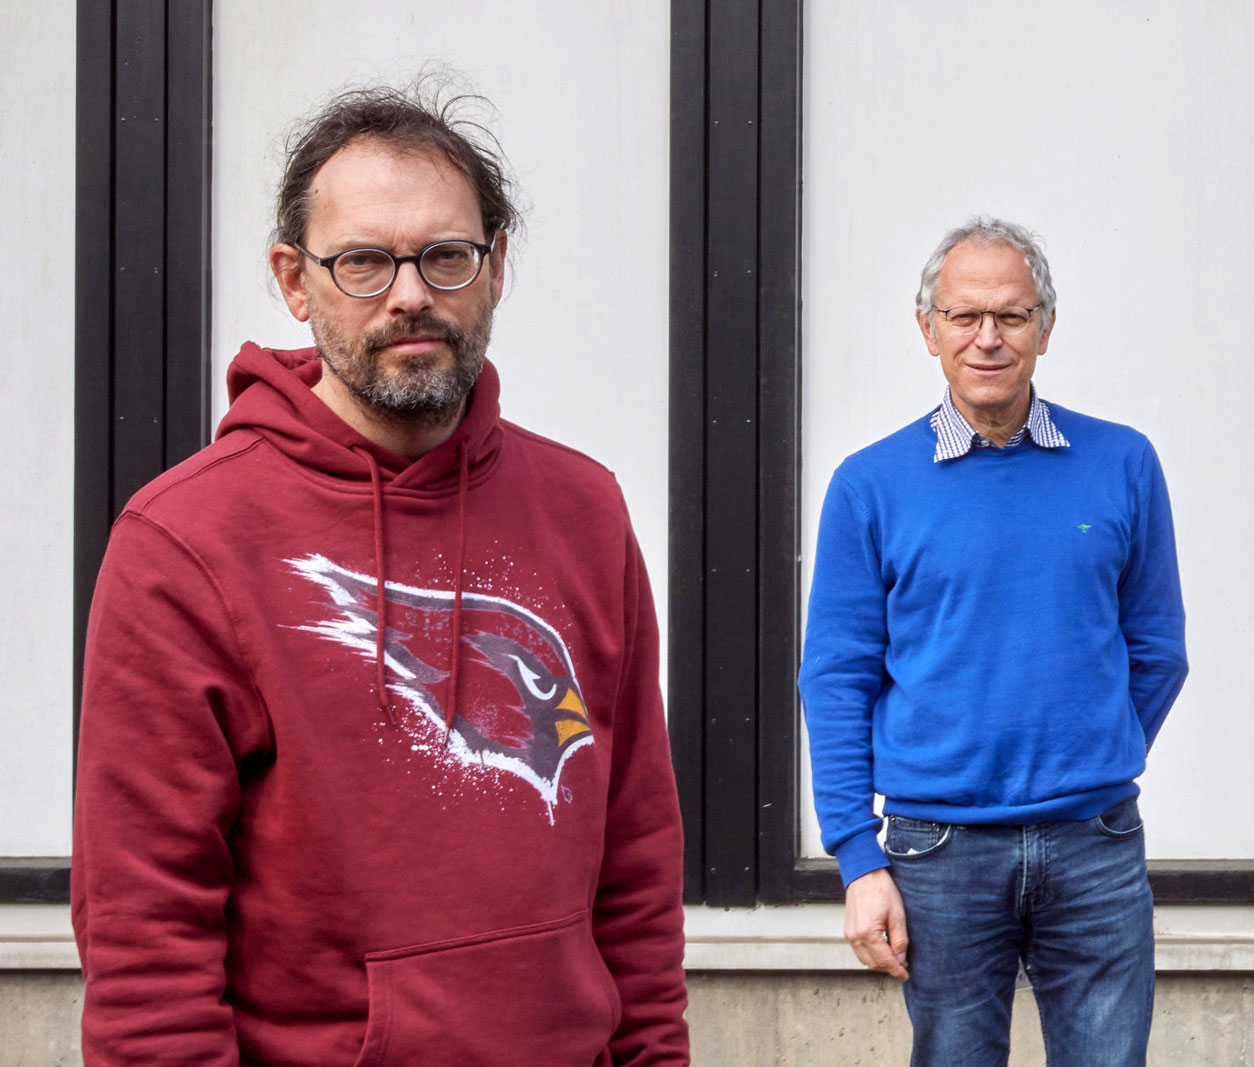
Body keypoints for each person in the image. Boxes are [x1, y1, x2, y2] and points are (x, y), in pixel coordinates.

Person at [70, 82, 687, 1065]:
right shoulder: (185, 542)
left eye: (445, 255)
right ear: (294, 279)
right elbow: (147, 929)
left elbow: (637, 859)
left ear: (493, 269)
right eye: (363, 260)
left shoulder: (584, 510)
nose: (409, 293)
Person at [798, 216, 1188, 1067]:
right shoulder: (869, 486)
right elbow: (834, 679)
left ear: (1046, 326)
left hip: (1095, 842)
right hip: (936, 852)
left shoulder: (1122, 462)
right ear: (927, 327)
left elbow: (1159, 648)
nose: (987, 337)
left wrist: (1088, 744)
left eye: (1010, 316)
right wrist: (857, 858)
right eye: (965, 315)